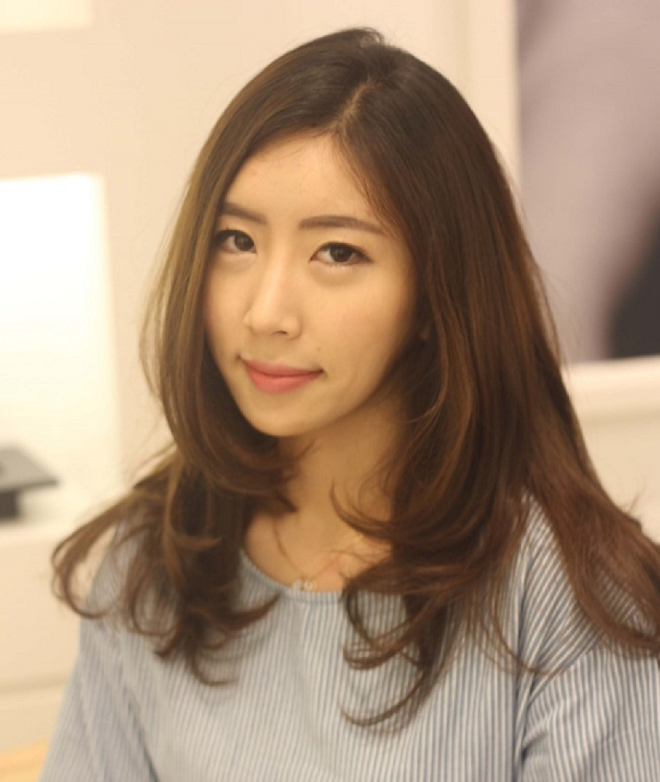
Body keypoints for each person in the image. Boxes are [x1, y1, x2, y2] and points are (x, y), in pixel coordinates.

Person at [40, 28, 660, 781]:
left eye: (337, 253)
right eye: (237, 240)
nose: (266, 312)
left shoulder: (562, 592)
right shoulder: (156, 558)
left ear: (433, 294)